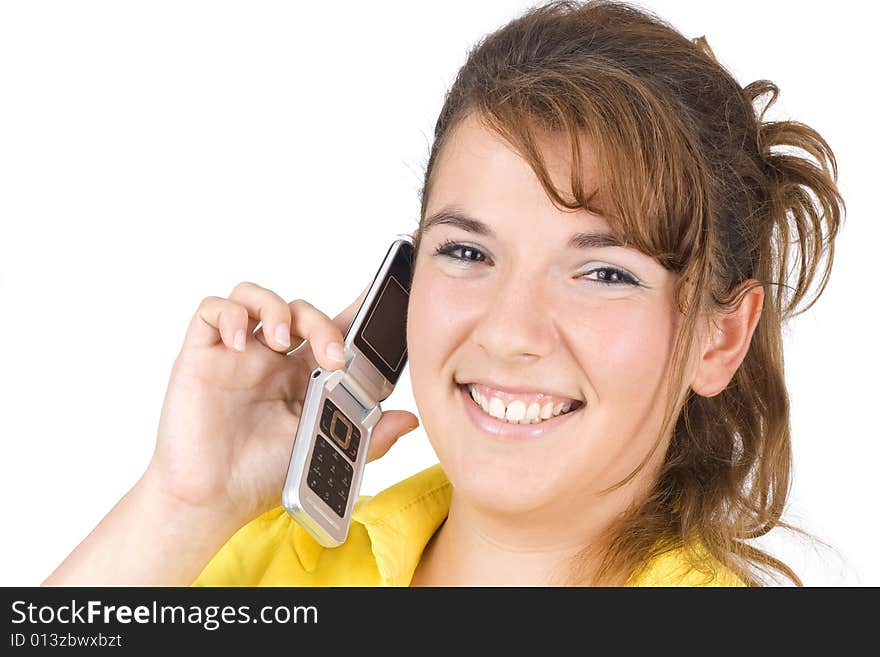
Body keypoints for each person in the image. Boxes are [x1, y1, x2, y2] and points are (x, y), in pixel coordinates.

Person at [43, 0, 844, 587]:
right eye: (466, 251)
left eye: (604, 272)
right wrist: (184, 501)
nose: (510, 330)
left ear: (720, 337)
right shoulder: (281, 558)